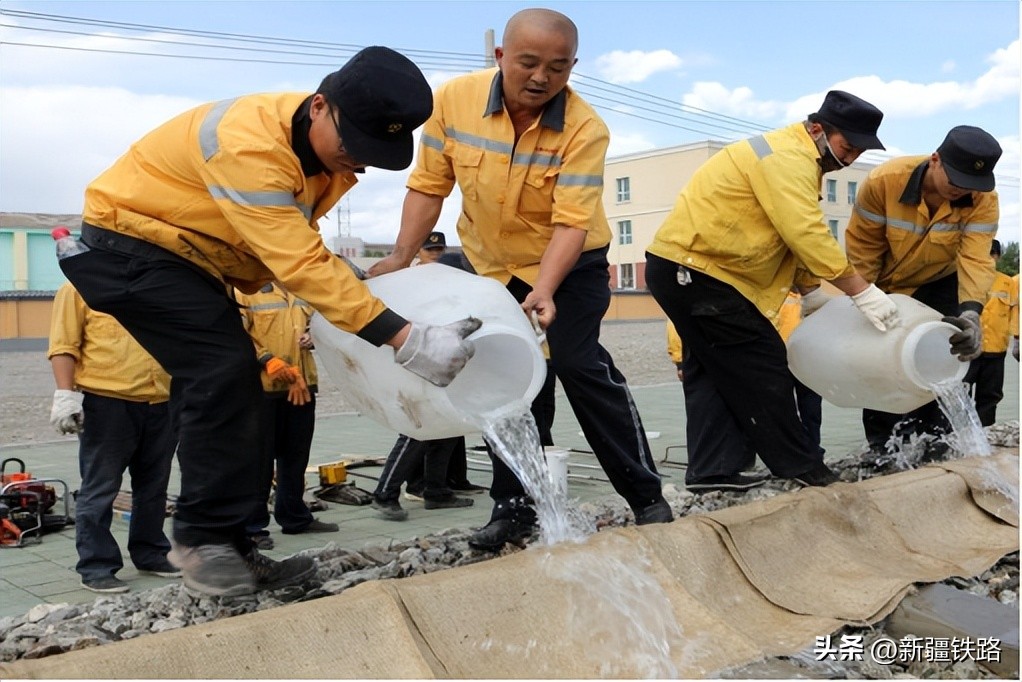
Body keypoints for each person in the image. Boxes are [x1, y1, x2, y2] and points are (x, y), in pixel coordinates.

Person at [57, 46, 480, 597]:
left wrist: (364, 289)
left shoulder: (318, 152)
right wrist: (406, 339)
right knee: (223, 372)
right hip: (134, 249)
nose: (360, 162)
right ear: (321, 106)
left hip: (186, 258)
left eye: (375, 152)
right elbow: (298, 261)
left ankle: (230, 547)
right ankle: (206, 544)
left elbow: (291, 248)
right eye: (355, 146)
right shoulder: (250, 144)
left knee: (233, 387)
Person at [370, 8, 671, 551]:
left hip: (569, 265)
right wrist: (400, 255)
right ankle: (515, 509)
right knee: (506, 381)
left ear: (572, 66)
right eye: (528, 63)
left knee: (578, 365)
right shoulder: (453, 103)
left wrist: (545, 289)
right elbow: (428, 187)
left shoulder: (584, 127)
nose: (541, 77)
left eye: (557, 67)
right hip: (492, 267)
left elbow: (572, 220)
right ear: (501, 57)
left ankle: (646, 496)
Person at [646, 90, 900, 491]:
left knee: (714, 371)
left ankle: (713, 473)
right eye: (846, 148)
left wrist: (810, 290)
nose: (848, 160)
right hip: (697, 272)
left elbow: (784, 237)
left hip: (693, 272)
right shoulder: (786, 158)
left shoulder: (798, 159)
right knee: (763, 364)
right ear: (817, 128)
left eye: (856, 153)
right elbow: (804, 231)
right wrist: (861, 291)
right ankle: (801, 466)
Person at [844, 125, 1002, 452]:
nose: (962, 189)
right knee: (884, 359)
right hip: (886, 283)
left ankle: (939, 440)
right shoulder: (883, 182)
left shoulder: (983, 200)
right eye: (956, 179)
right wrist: (865, 298)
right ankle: (885, 447)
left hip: (941, 278)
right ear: (935, 160)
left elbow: (976, 257)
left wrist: (971, 312)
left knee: (948, 353)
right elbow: (863, 249)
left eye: (971, 184)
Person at [48, 282, 179, 594]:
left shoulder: (158, 281)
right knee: (101, 486)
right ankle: (96, 565)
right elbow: (64, 345)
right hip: (107, 402)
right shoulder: (78, 287)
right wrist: (65, 394)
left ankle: (150, 552)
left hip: (162, 400)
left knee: (154, 486)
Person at [235, 282, 337, 550]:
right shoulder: (246, 290)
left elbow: (323, 322)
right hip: (263, 387)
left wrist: (315, 337)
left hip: (301, 384)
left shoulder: (302, 289)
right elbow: (237, 334)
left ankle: (294, 516)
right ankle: (252, 527)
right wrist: (268, 360)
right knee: (259, 459)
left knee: (295, 455)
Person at [963, 240, 1018, 426]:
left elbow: (1015, 313)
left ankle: (985, 435)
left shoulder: (1008, 283)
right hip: (969, 349)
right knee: (961, 393)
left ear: (998, 256)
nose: (990, 258)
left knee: (990, 396)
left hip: (996, 349)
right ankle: (960, 436)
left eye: (993, 254)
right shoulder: (967, 279)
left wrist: (1018, 340)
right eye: (986, 253)